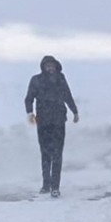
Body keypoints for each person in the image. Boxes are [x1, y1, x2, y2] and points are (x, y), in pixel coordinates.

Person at [24, 55, 79, 197]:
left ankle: (55, 187)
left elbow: (67, 95)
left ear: (56, 66)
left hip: (59, 121)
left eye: (52, 65)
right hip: (43, 121)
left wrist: (75, 111)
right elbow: (29, 98)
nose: (50, 68)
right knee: (45, 154)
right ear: (43, 67)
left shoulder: (60, 79)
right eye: (47, 65)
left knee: (57, 154)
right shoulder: (36, 80)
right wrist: (30, 113)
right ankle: (46, 185)